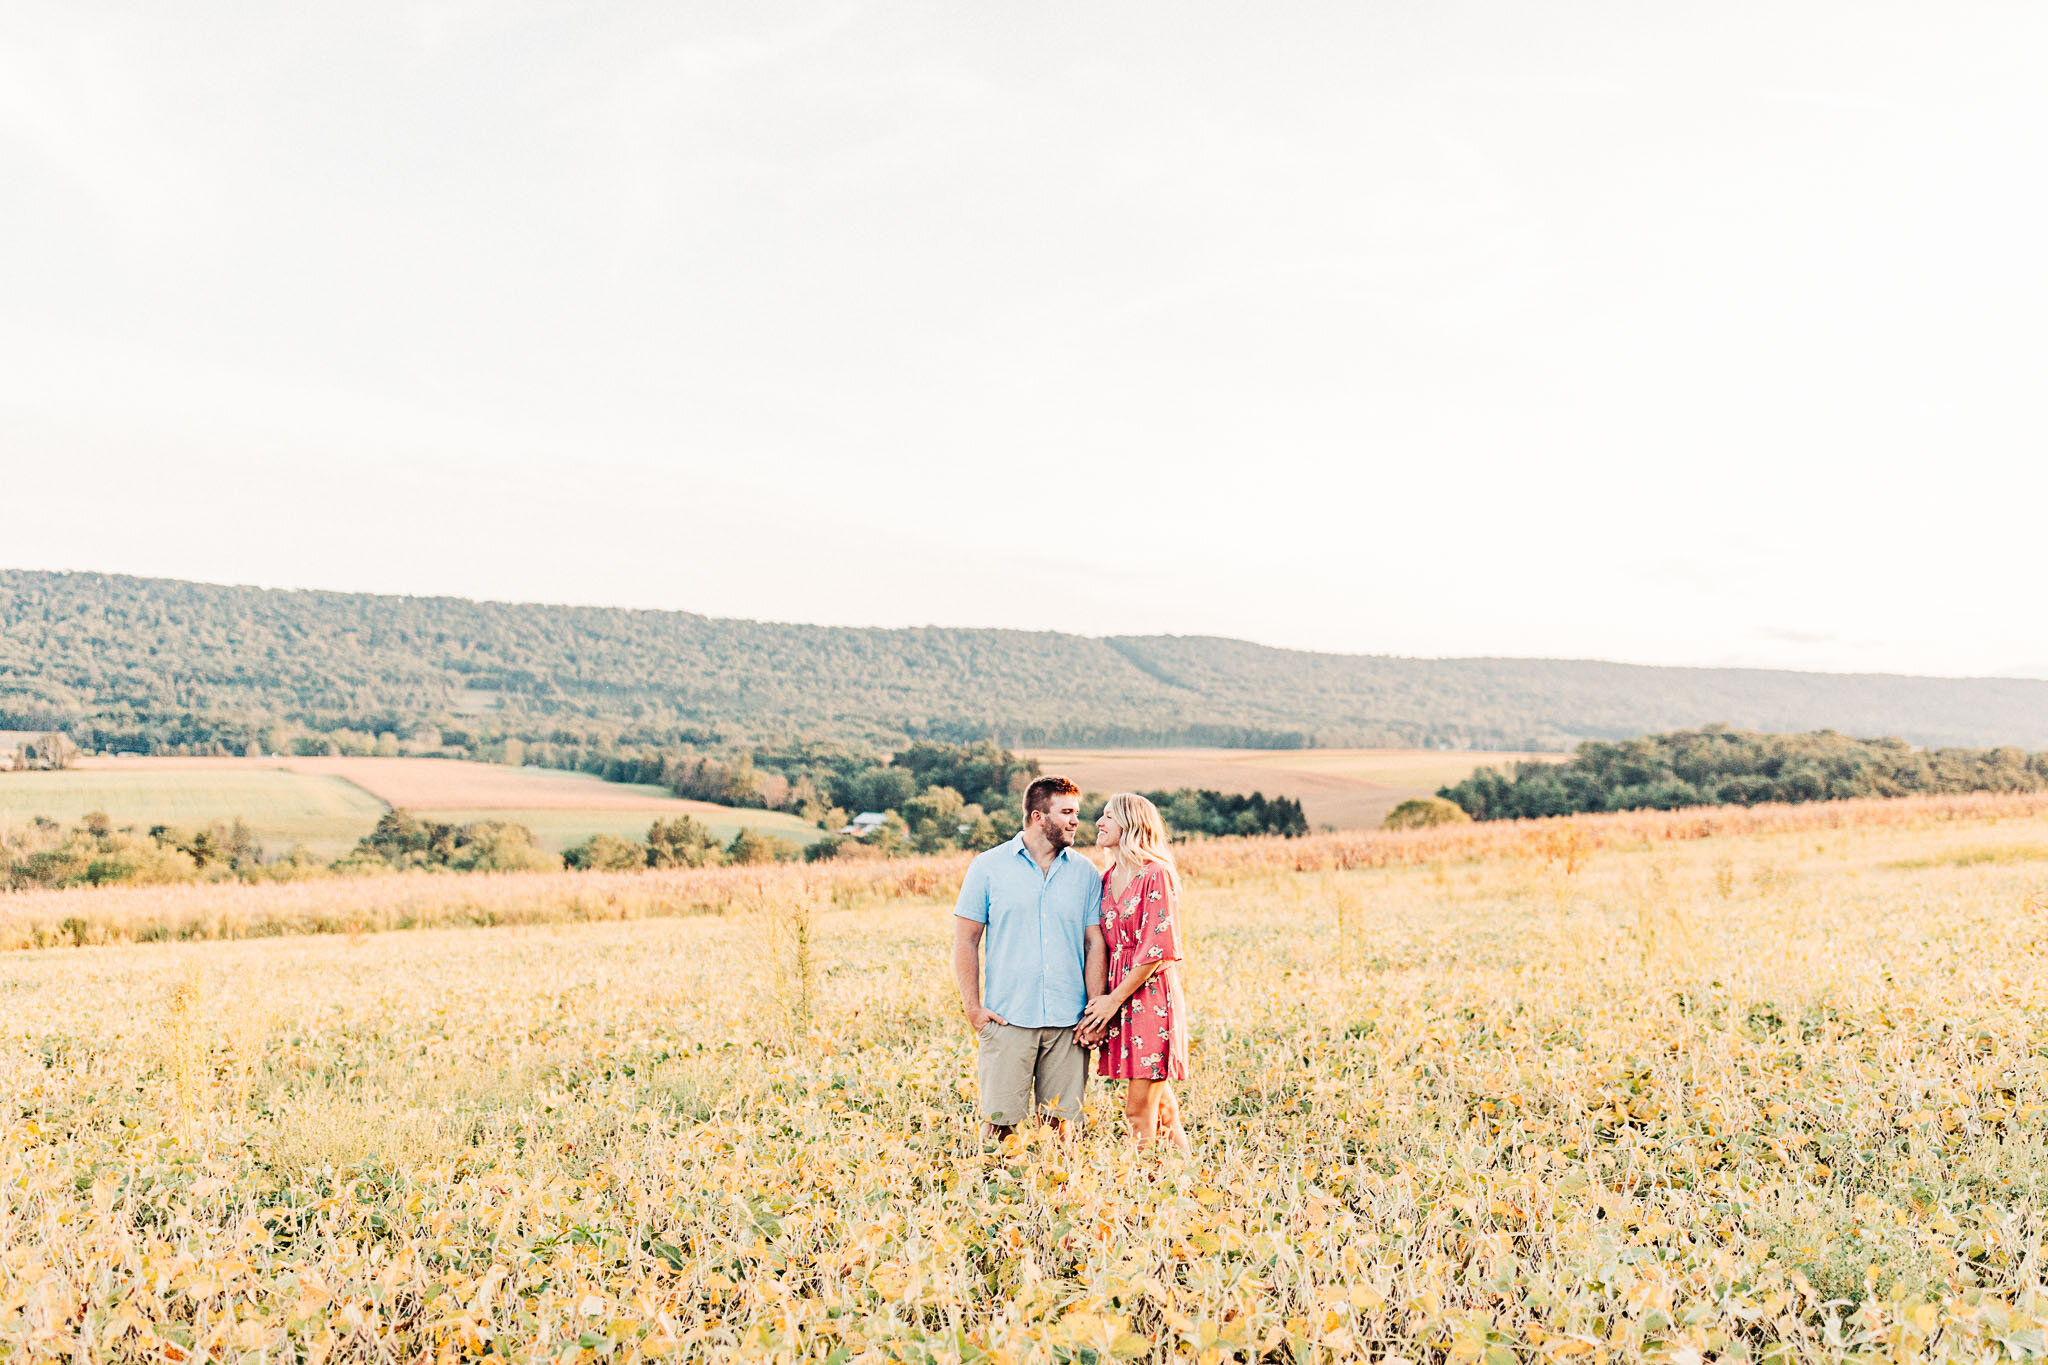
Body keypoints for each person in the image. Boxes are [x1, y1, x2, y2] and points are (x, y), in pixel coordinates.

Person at [953, 775, 1106, 1139]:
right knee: (1000, 1124)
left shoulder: (1085, 872)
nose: (1075, 821)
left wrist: (1095, 1007)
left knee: (1061, 1128)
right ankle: (994, 1193)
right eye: (1066, 812)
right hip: (1008, 1019)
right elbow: (965, 941)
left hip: (1068, 1021)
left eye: (1077, 813)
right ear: (1038, 817)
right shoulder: (987, 867)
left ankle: (1055, 1195)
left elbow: (1094, 944)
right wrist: (973, 1009)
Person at [1077, 792, 1190, 1151]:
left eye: (1108, 816)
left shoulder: (1156, 874)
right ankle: (1185, 1176)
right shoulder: (1106, 878)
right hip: (1119, 995)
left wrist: (1113, 1000)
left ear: (1130, 823)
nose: (1099, 822)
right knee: (1162, 1108)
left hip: (1149, 997)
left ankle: (1143, 1192)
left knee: (1138, 1110)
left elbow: (1157, 950)